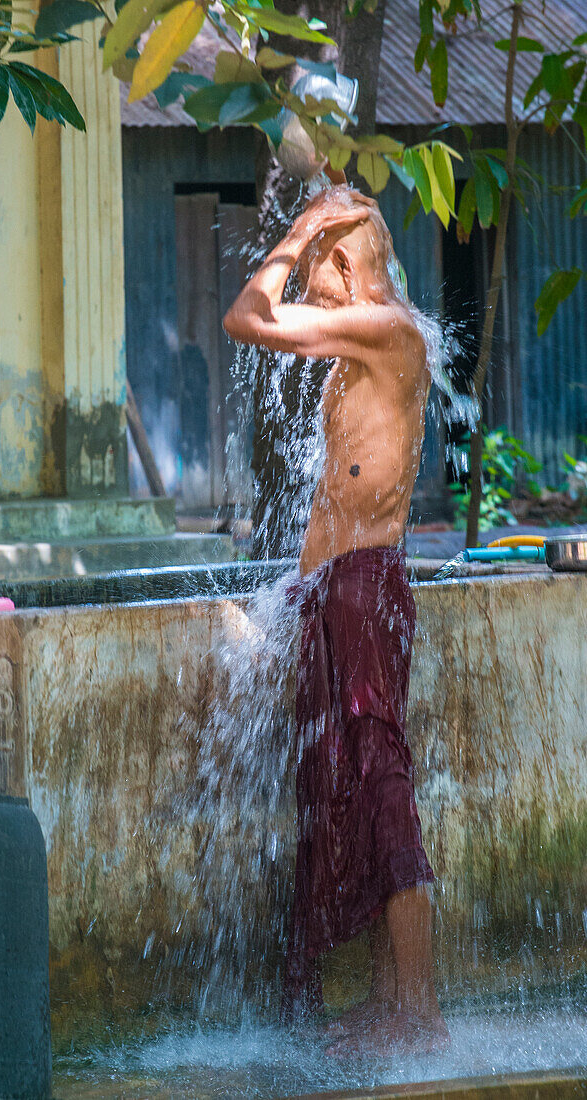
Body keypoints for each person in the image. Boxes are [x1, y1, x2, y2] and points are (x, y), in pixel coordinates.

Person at [222, 180, 449, 1057]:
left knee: (381, 784)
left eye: (317, 272)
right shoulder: (372, 337)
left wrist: (292, 234)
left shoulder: (383, 327)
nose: (308, 288)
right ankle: (392, 1001)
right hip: (334, 590)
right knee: (341, 786)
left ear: (345, 262)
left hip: (360, 588)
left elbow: (249, 317)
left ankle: (417, 1011)